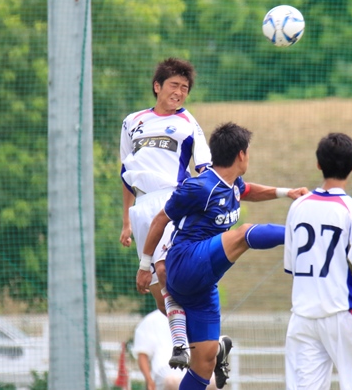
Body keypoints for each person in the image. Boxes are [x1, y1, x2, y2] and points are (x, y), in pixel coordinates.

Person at [136, 122, 308, 390]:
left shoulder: (232, 184)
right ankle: (304, 235)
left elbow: (246, 190)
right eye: (248, 151)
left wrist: (286, 193)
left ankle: (216, 349)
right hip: (184, 262)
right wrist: (145, 265)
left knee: (203, 365)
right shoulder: (200, 187)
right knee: (243, 234)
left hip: (204, 283)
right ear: (241, 154)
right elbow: (160, 220)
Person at [120, 58, 211, 367]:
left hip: (173, 202)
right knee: (161, 298)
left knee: (162, 268)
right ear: (157, 86)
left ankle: (181, 346)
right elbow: (126, 173)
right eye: (174, 85)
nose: (179, 92)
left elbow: (204, 167)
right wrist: (126, 221)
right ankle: (210, 341)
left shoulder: (188, 123)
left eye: (185, 88)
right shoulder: (132, 121)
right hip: (142, 207)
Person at [283, 132, 352, 390]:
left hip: (303, 318)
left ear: (319, 164)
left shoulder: (297, 207)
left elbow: (292, 266)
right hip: (343, 315)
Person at [131, 309, 218, 390]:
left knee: (212, 382)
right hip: (164, 373)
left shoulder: (195, 316)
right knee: (172, 381)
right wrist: (149, 380)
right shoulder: (150, 321)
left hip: (192, 368)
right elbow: (142, 354)